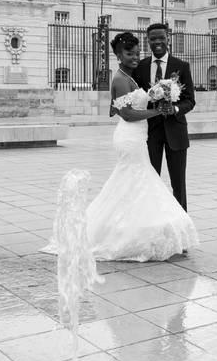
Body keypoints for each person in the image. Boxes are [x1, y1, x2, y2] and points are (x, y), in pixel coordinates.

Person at [44, 32, 197, 261]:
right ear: (118, 55)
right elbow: (125, 112)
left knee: (148, 186)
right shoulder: (129, 74)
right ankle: (142, 236)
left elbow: (184, 99)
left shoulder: (138, 73)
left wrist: (165, 101)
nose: (135, 57)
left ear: (168, 40)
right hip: (137, 137)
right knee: (141, 184)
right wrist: (157, 109)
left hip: (155, 135)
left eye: (136, 53)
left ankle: (163, 235)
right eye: (129, 53)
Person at [132, 23, 196, 211]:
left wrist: (175, 109)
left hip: (176, 132)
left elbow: (190, 101)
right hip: (150, 133)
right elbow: (136, 98)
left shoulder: (181, 66)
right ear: (148, 40)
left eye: (161, 38)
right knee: (150, 181)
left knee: (179, 184)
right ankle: (151, 219)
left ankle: (182, 223)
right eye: (153, 39)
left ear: (168, 38)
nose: (157, 42)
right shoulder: (141, 67)